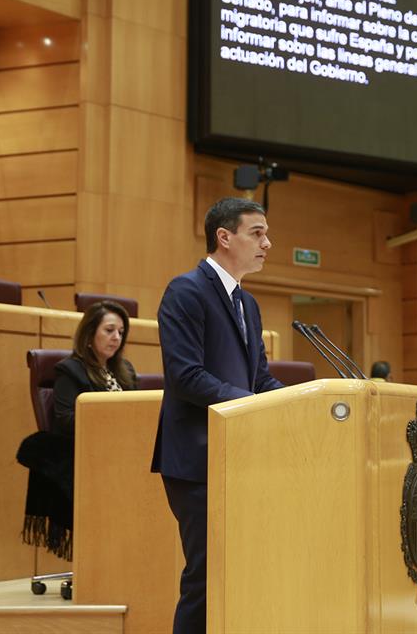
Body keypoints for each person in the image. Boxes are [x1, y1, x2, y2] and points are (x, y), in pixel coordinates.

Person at [151, 197, 285, 634]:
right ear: (223, 237)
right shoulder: (185, 291)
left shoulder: (248, 304)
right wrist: (246, 404)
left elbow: (260, 379)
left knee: (241, 574)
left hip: (238, 458)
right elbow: (186, 376)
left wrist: (302, 402)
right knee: (205, 577)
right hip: (196, 461)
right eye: (257, 232)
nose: (268, 242)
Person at [52, 300, 139, 437]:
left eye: (121, 332)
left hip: (125, 441)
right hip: (89, 446)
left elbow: (138, 410)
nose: (117, 337)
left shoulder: (126, 369)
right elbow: (66, 421)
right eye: (109, 330)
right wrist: (112, 420)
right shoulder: (70, 370)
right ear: (89, 333)